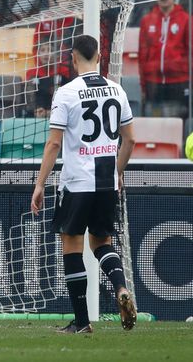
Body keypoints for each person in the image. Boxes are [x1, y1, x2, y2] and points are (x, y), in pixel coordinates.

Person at [31, 35, 137, 334]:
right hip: (106, 182)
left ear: (73, 58)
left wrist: (40, 184)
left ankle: (81, 322)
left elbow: (54, 143)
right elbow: (130, 140)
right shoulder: (117, 90)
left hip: (77, 181)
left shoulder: (66, 93)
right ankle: (120, 288)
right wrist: (117, 171)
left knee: (72, 245)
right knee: (102, 243)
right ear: (101, 57)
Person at [138, 0, 190, 119]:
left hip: (180, 82)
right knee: (154, 124)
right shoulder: (146, 20)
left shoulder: (186, 20)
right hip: (153, 83)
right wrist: (143, 85)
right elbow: (142, 55)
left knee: (180, 123)